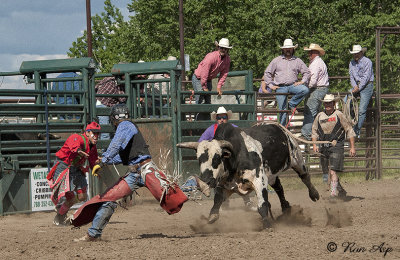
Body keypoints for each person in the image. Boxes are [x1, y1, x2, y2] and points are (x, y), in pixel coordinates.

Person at [73, 104, 187, 241]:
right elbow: (122, 156)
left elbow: (116, 145)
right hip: (135, 173)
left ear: (114, 119)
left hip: (145, 170)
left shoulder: (124, 126)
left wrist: (104, 160)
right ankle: (93, 234)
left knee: (172, 197)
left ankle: (194, 182)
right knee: (110, 197)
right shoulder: (128, 127)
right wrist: (104, 159)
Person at [195, 106, 255, 210]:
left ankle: (247, 201)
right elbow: (201, 142)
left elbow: (244, 138)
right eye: (219, 117)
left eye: (224, 117)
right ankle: (223, 202)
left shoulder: (233, 128)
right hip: (218, 162)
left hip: (233, 160)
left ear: (227, 118)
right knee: (217, 180)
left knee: (241, 179)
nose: (222, 119)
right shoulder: (211, 130)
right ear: (216, 119)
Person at [46, 121, 101, 225]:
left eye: (98, 133)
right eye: (94, 133)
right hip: (64, 166)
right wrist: (79, 151)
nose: (97, 136)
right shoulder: (78, 137)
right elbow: (74, 146)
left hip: (76, 168)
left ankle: (61, 210)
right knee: (67, 195)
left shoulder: (93, 147)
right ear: (88, 132)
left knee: (82, 196)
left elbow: (93, 161)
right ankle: (61, 214)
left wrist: (97, 168)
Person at [312, 94, 356, 197]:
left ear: (334, 103)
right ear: (324, 104)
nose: (328, 105)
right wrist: (315, 145)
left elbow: (349, 130)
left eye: (330, 103)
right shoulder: (319, 116)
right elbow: (314, 131)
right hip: (324, 146)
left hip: (337, 145)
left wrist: (352, 147)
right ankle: (340, 189)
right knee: (328, 171)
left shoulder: (339, 114)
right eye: (326, 103)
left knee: (332, 171)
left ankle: (333, 194)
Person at [264, 38, 310, 125]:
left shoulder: (297, 61)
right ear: (283, 49)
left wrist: (302, 81)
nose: (288, 50)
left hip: (293, 85)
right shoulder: (276, 60)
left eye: (289, 48)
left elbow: (306, 72)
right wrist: (270, 85)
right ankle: (282, 128)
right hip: (280, 87)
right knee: (281, 109)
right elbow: (267, 73)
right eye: (286, 48)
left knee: (304, 90)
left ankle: (292, 104)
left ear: (293, 49)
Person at [301, 43, 330, 140]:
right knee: (316, 111)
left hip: (317, 89)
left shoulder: (315, 64)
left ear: (314, 53)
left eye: (310, 52)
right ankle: (317, 134)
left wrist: (304, 89)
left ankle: (307, 134)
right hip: (321, 89)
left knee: (310, 110)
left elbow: (313, 81)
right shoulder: (319, 62)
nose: (308, 54)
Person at [192, 38, 232, 106]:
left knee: (208, 102)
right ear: (218, 48)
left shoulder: (227, 60)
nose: (223, 50)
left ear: (227, 50)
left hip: (208, 80)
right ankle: (198, 116)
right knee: (200, 101)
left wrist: (219, 87)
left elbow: (224, 74)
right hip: (198, 78)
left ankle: (206, 116)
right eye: (222, 48)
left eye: (225, 48)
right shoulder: (211, 57)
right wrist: (204, 87)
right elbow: (204, 72)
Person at [348, 44, 374, 137]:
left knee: (362, 110)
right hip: (357, 86)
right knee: (346, 102)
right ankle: (352, 121)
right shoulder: (351, 63)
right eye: (354, 53)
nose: (355, 55)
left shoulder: (367, 62)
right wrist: (355, 86)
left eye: (357, 53)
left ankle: (356, 131)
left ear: (361, 52)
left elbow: (366, 77)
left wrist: (358, 88)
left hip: (367, 86)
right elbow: (351, 77)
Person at [95, 75, 126, 140]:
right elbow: (122, 98)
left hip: (100, 103)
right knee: (106, 130)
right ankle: (104, 149)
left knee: (107, 128)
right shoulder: (117, 83)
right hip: (104, 105)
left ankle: (106, 148)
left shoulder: (108, 78)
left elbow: (97, 86)